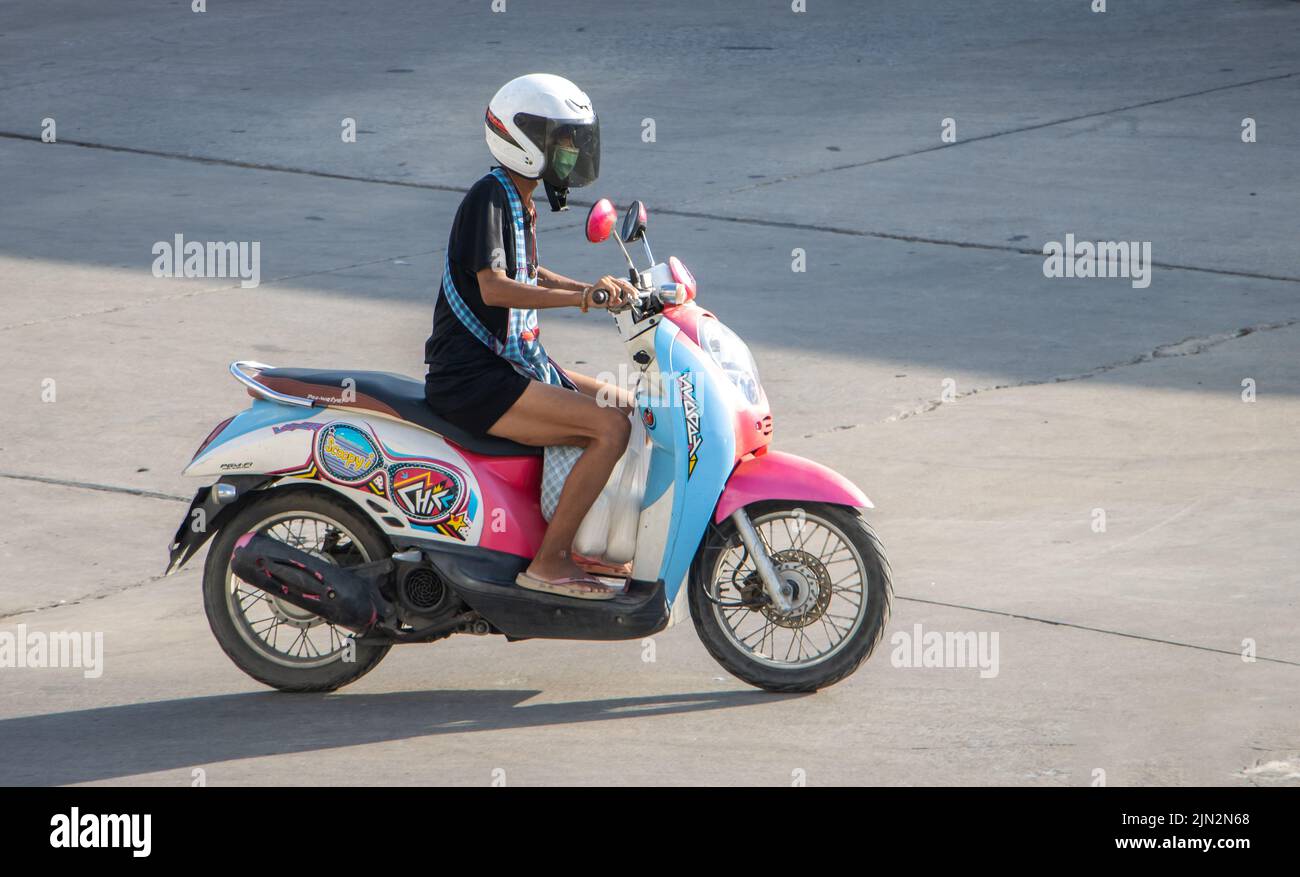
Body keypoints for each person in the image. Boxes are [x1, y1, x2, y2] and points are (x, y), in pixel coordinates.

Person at [424, 73, 637, 601]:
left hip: (513, 366)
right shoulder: (487, 198)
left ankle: (593, 541)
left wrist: (594, 290)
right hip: (475, 378)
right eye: (558, 140)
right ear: (523, 140)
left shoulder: (519, 202)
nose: (568, 151)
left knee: (632, 406)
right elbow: (496, 289)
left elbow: (531, 273)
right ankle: (549, 561)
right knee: (609, 429)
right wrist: (581, 300)